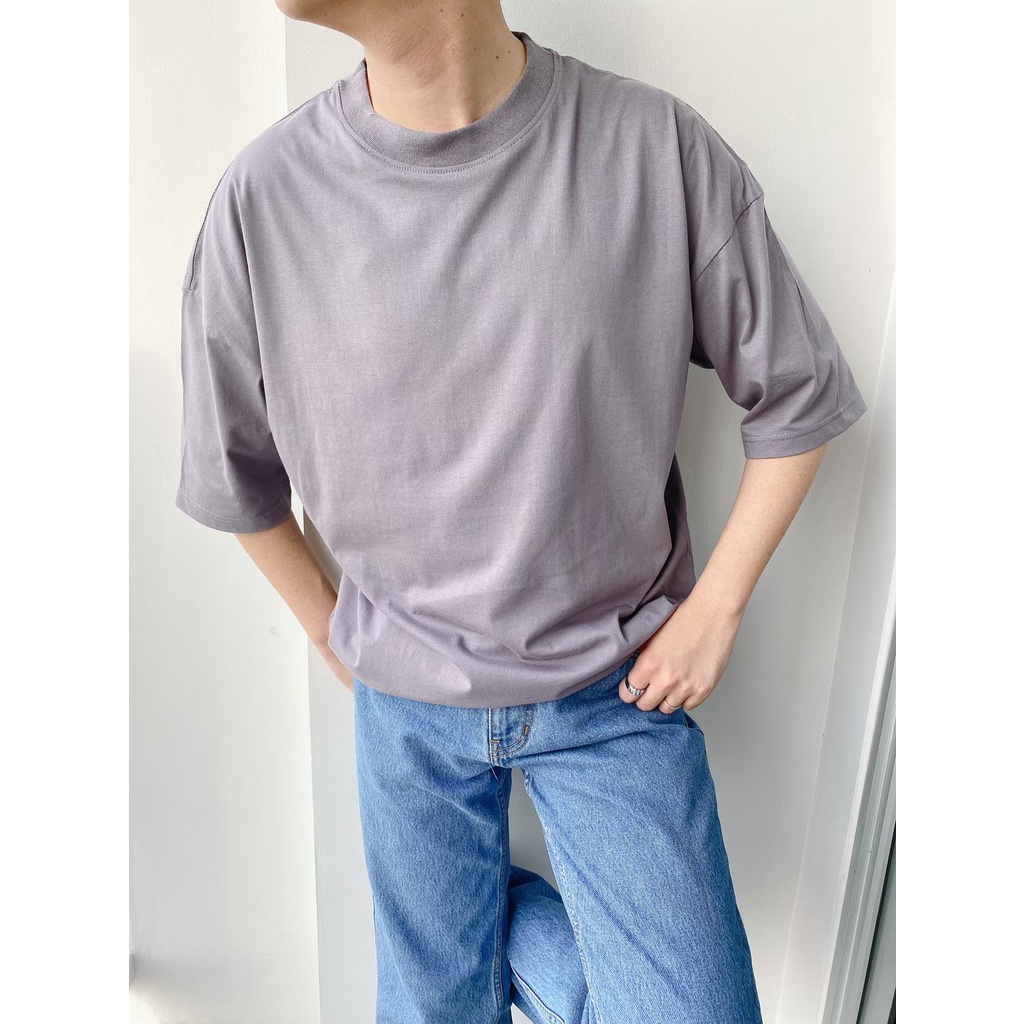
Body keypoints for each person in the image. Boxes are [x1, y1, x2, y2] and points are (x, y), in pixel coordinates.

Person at [174, 2, 868, 1021]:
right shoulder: (263, 199)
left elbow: (800, 395)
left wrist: (716, 609)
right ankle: (458, 929)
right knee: (432, 1005)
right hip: (405, 708)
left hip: (616, 691)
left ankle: (476, 925)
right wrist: (328, 628)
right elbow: (231, 471)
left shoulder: (653, 149)